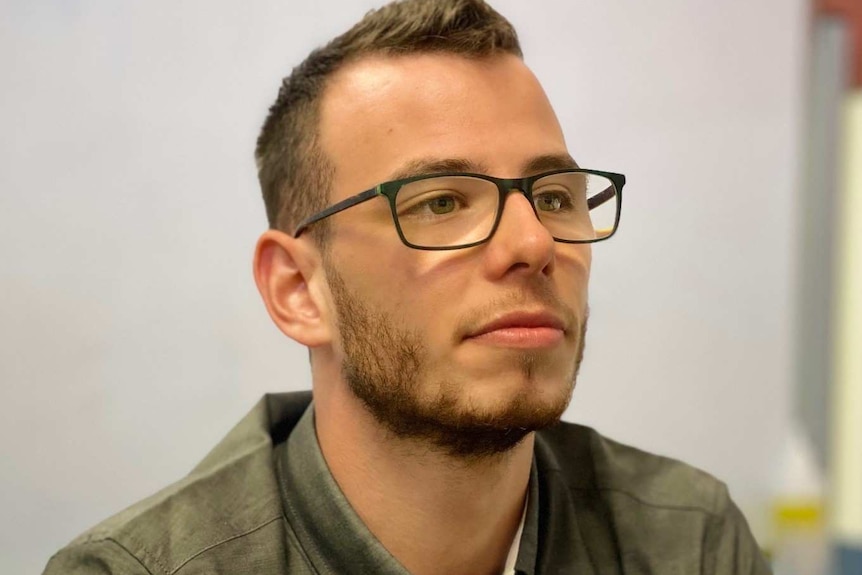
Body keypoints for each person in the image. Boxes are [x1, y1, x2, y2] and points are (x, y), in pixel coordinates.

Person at [44, 0, 772, 573]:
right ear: (299, 288)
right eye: (443, 202)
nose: (535, 244)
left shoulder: (688, 539)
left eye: (554, 196)